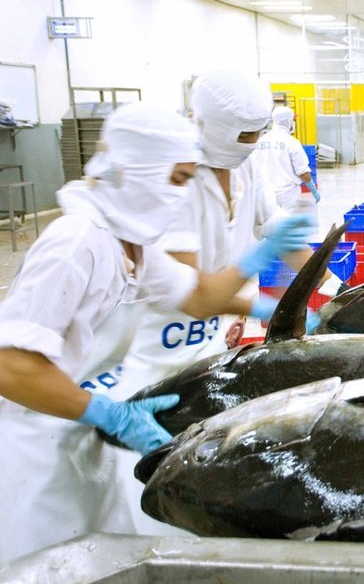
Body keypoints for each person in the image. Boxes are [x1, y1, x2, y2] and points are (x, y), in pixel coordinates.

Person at [0, 103, 315, 567]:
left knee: (100, 556)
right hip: (38, 438)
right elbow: (11, 368)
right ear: (139, 173)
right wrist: (109, 414)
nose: (181, 195)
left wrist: (269, 292)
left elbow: (199, 297)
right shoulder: (76, 243)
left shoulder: (130, 247)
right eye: (179, 179)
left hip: (80, 429)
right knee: (47, 564)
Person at [111, 71, 338, 536]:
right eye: (244, 134)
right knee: (159, 498)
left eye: (258, 132)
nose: (254, 143)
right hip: (155, 357)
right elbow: (192, 294)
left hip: (211, 350)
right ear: (209, 125)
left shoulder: (245, 168)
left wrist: (332, 284)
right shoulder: (174, 178)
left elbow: (278, 231)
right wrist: (260, 303)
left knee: (210, 483)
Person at [251, 106, 319, 211]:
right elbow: (303, 172)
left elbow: (253, 168)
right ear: (288, 121)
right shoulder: (292, 143)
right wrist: (314, 190)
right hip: (288, 195)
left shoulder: (260, 141)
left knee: (270, 221)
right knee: (287, 221)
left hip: (265, 194)